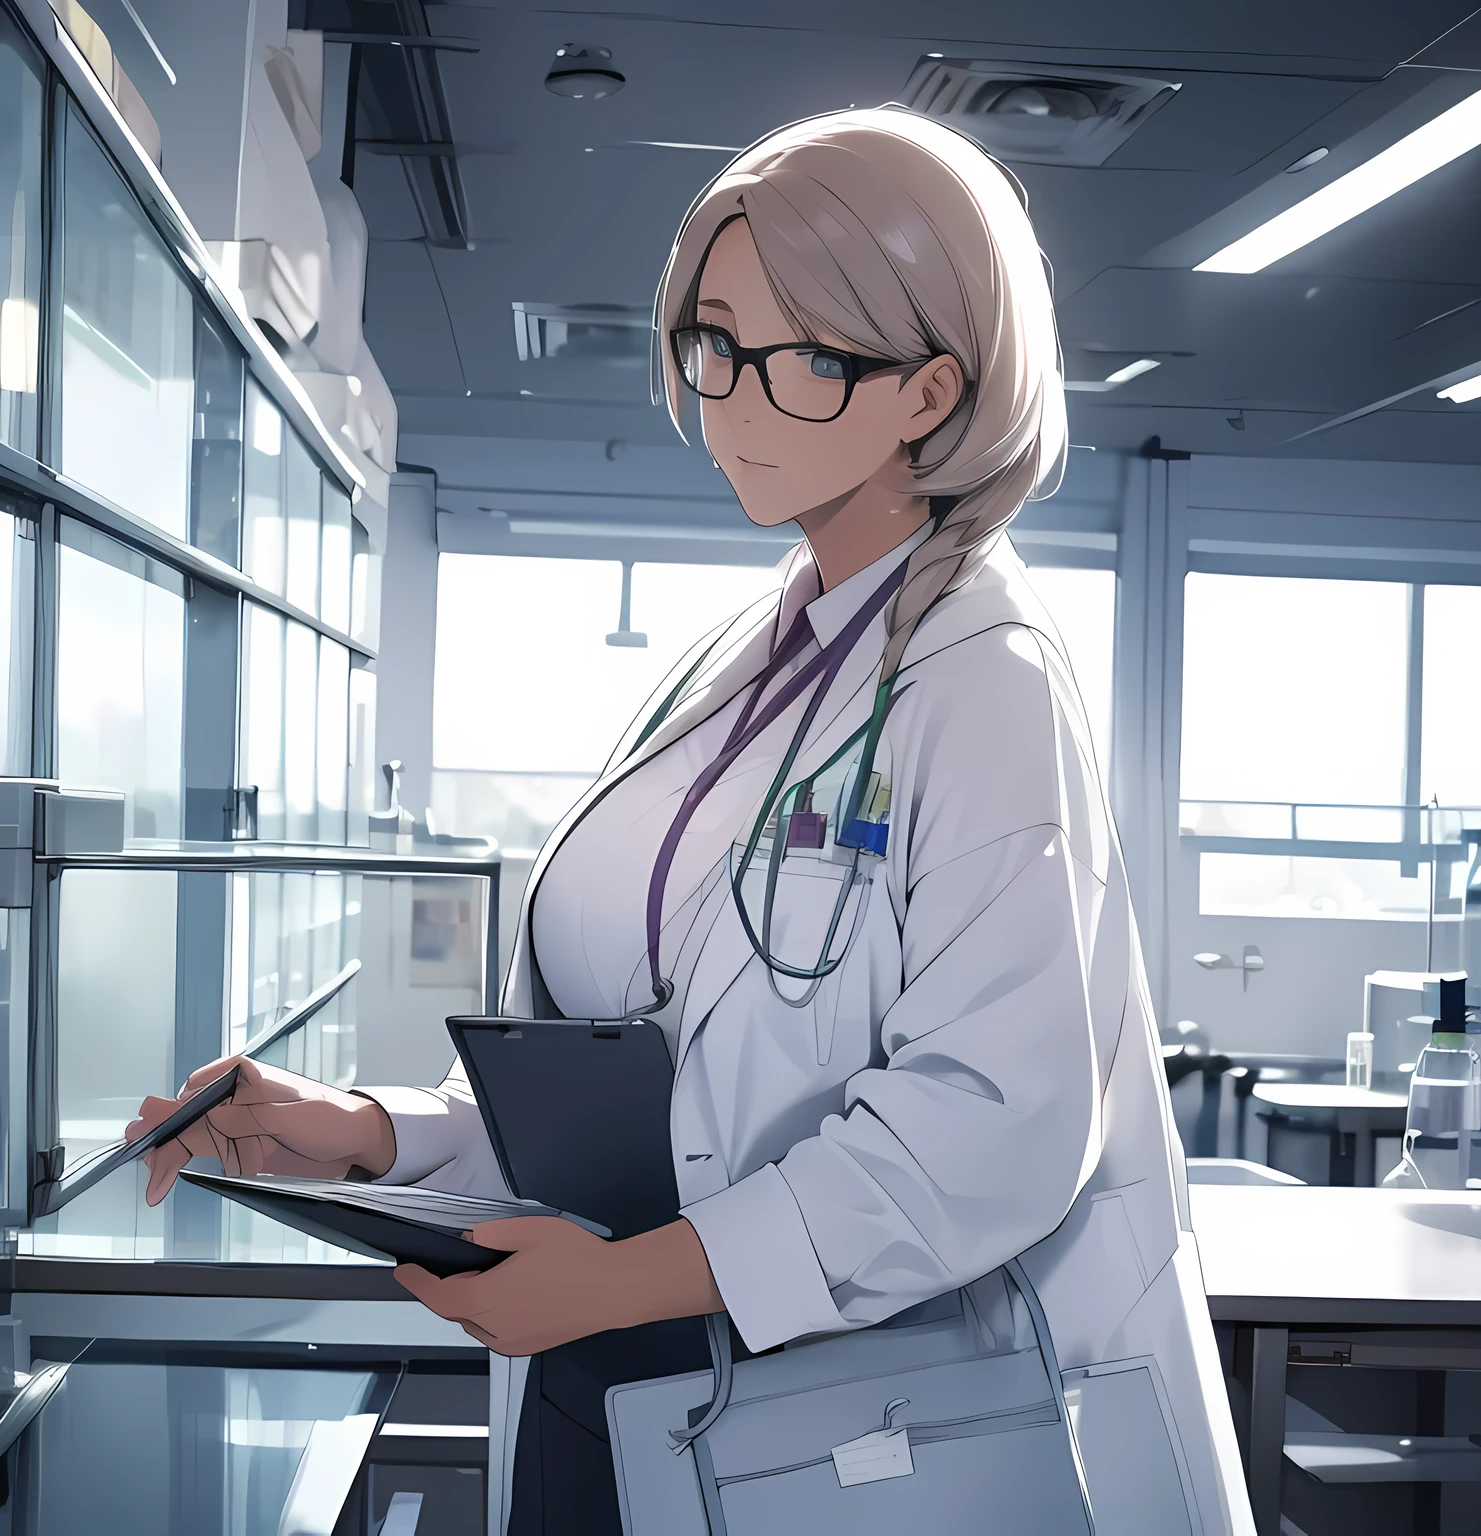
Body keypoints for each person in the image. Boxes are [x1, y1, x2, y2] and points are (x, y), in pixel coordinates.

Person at [130, 107, 1255, 1534]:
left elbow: (993, 1124)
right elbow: (654, 1083)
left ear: (929, 390)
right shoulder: (738, 666)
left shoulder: (988, 682)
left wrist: (621, 1284)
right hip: (607, 1383)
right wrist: (371, 1139)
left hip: (837, 1438)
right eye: (713, 346)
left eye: (798, 362)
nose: (731, 401)